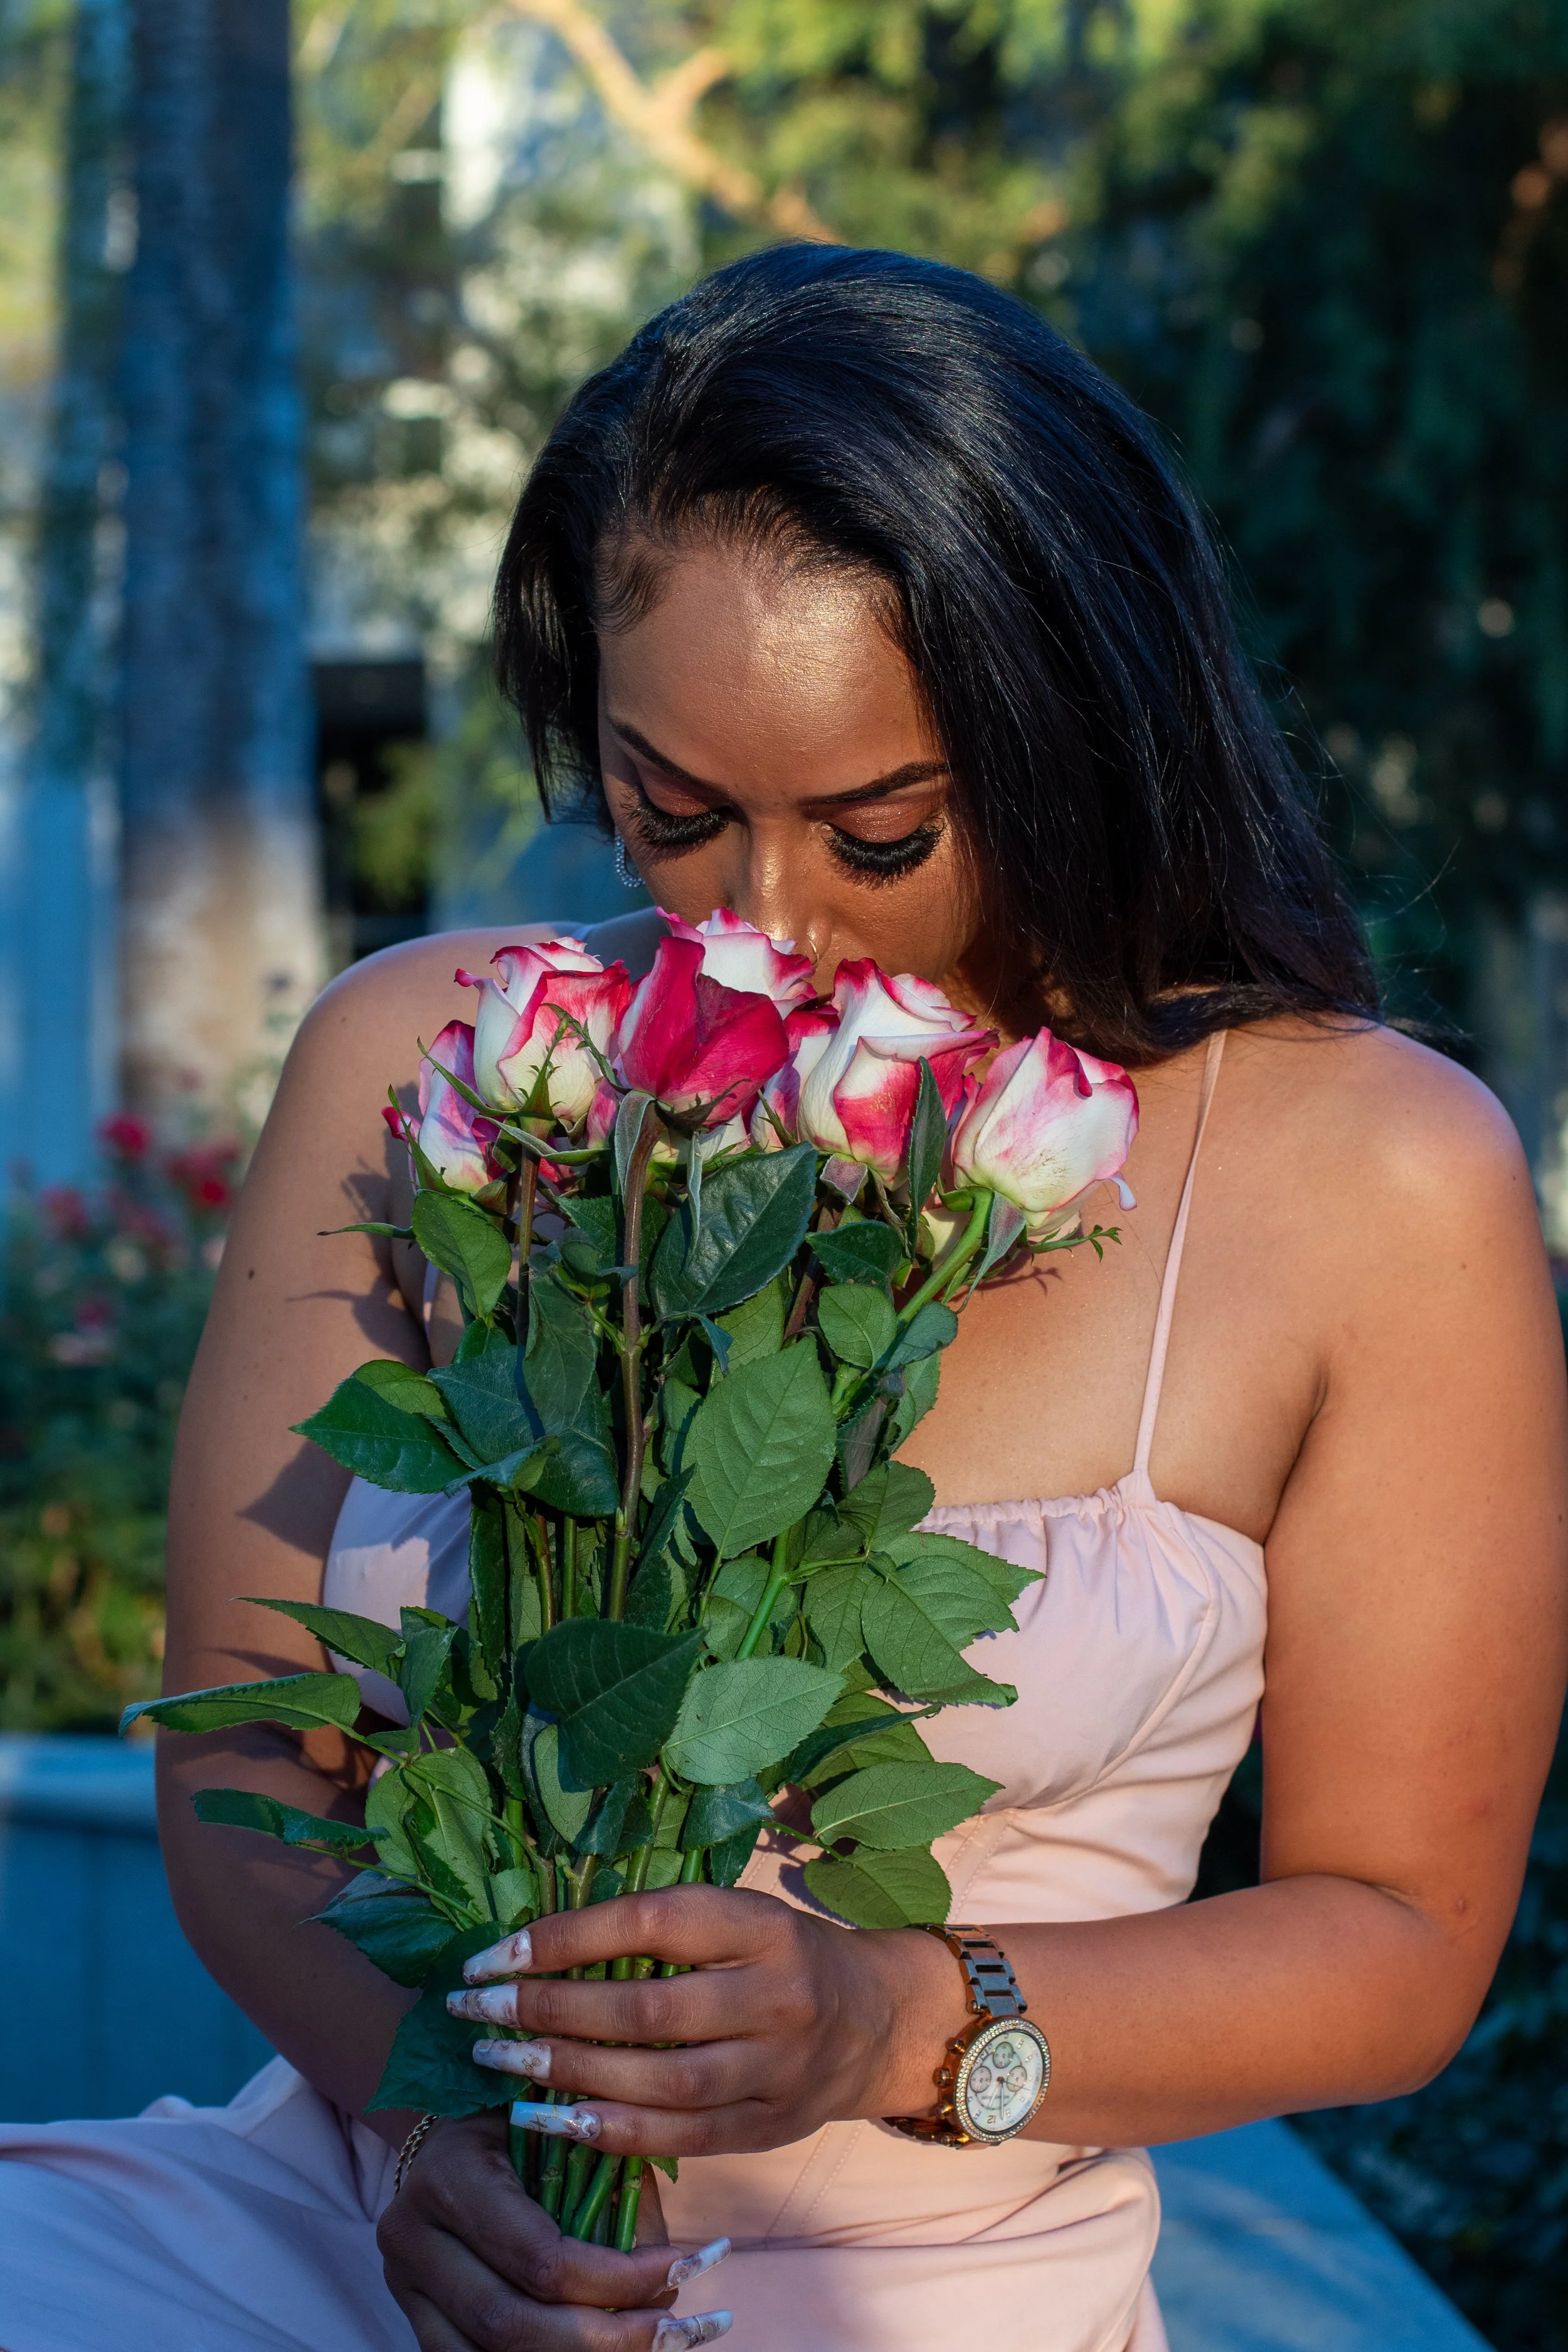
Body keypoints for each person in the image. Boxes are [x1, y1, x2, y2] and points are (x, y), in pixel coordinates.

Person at [2, 243, 1564, 2352]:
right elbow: (252, 1760)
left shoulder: (1373, 1174)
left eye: (881, 827)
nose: (767, 926)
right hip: (354, 2230)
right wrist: (442, 2130)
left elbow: (1395, 1938)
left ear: (1074, 726)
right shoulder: (431, 1064)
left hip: (918, 2298)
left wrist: (886, 2020)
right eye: (671, 815)